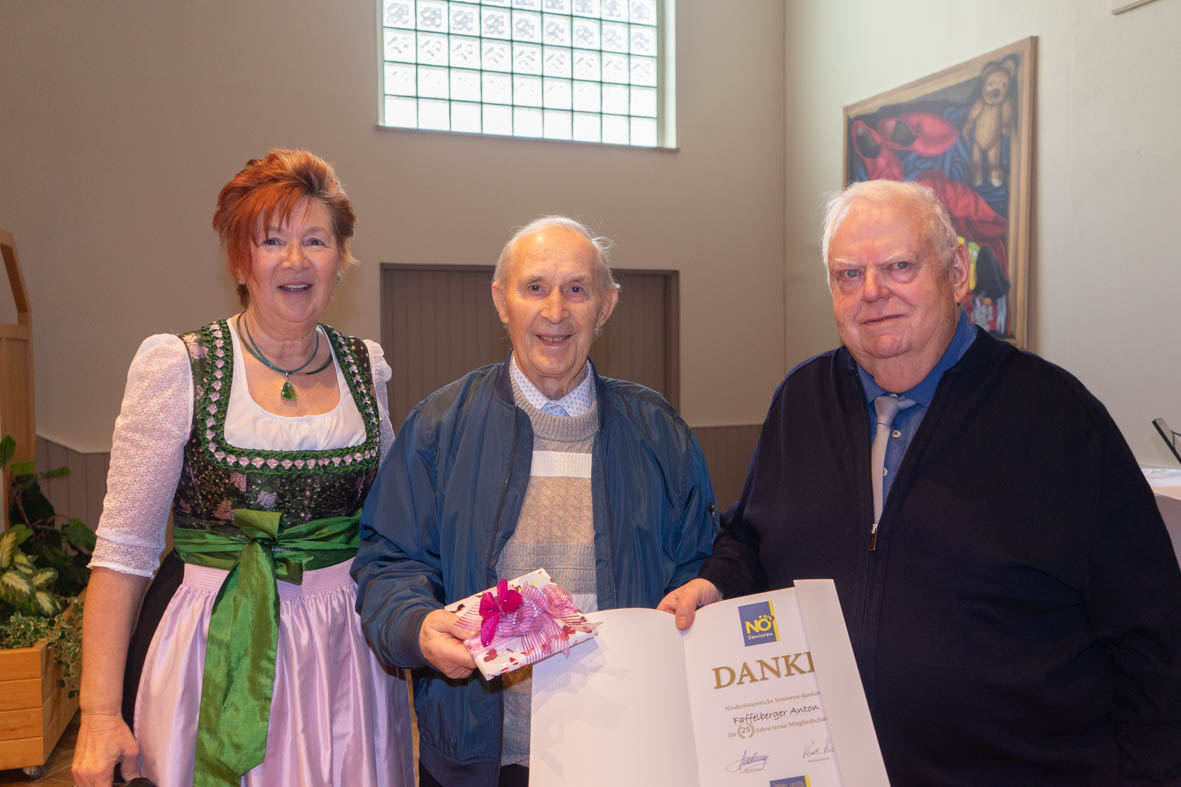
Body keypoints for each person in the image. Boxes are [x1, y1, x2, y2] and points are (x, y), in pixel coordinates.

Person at [659, 180, 1181, 784]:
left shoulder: (1059, 417)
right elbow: (752, 536)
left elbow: (1152, 632)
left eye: (899, 267)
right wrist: (718, 583)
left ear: (956, 273)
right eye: (849, 274)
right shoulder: (801, 401)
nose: (872, 292)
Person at [72, 149, 414, 787]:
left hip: (345, 651)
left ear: (340, 260)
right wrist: (97, 714)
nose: (295, 260)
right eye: (272, 240)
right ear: (239, 261)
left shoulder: (365, 368)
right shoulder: (181, 367)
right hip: (210, 645)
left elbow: (395, 526)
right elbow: (124, 553)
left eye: (316, 240)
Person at [352, 216, 719, 786]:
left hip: (625, 749)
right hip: (479, 757)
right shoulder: (440, 427)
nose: (555, 311)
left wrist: (705, 590)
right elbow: (389, 561)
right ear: (502, 301)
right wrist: (416, 624)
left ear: (606, 305)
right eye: (535, 288)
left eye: (576, 289)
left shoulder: (659, 431)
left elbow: (701, 560)